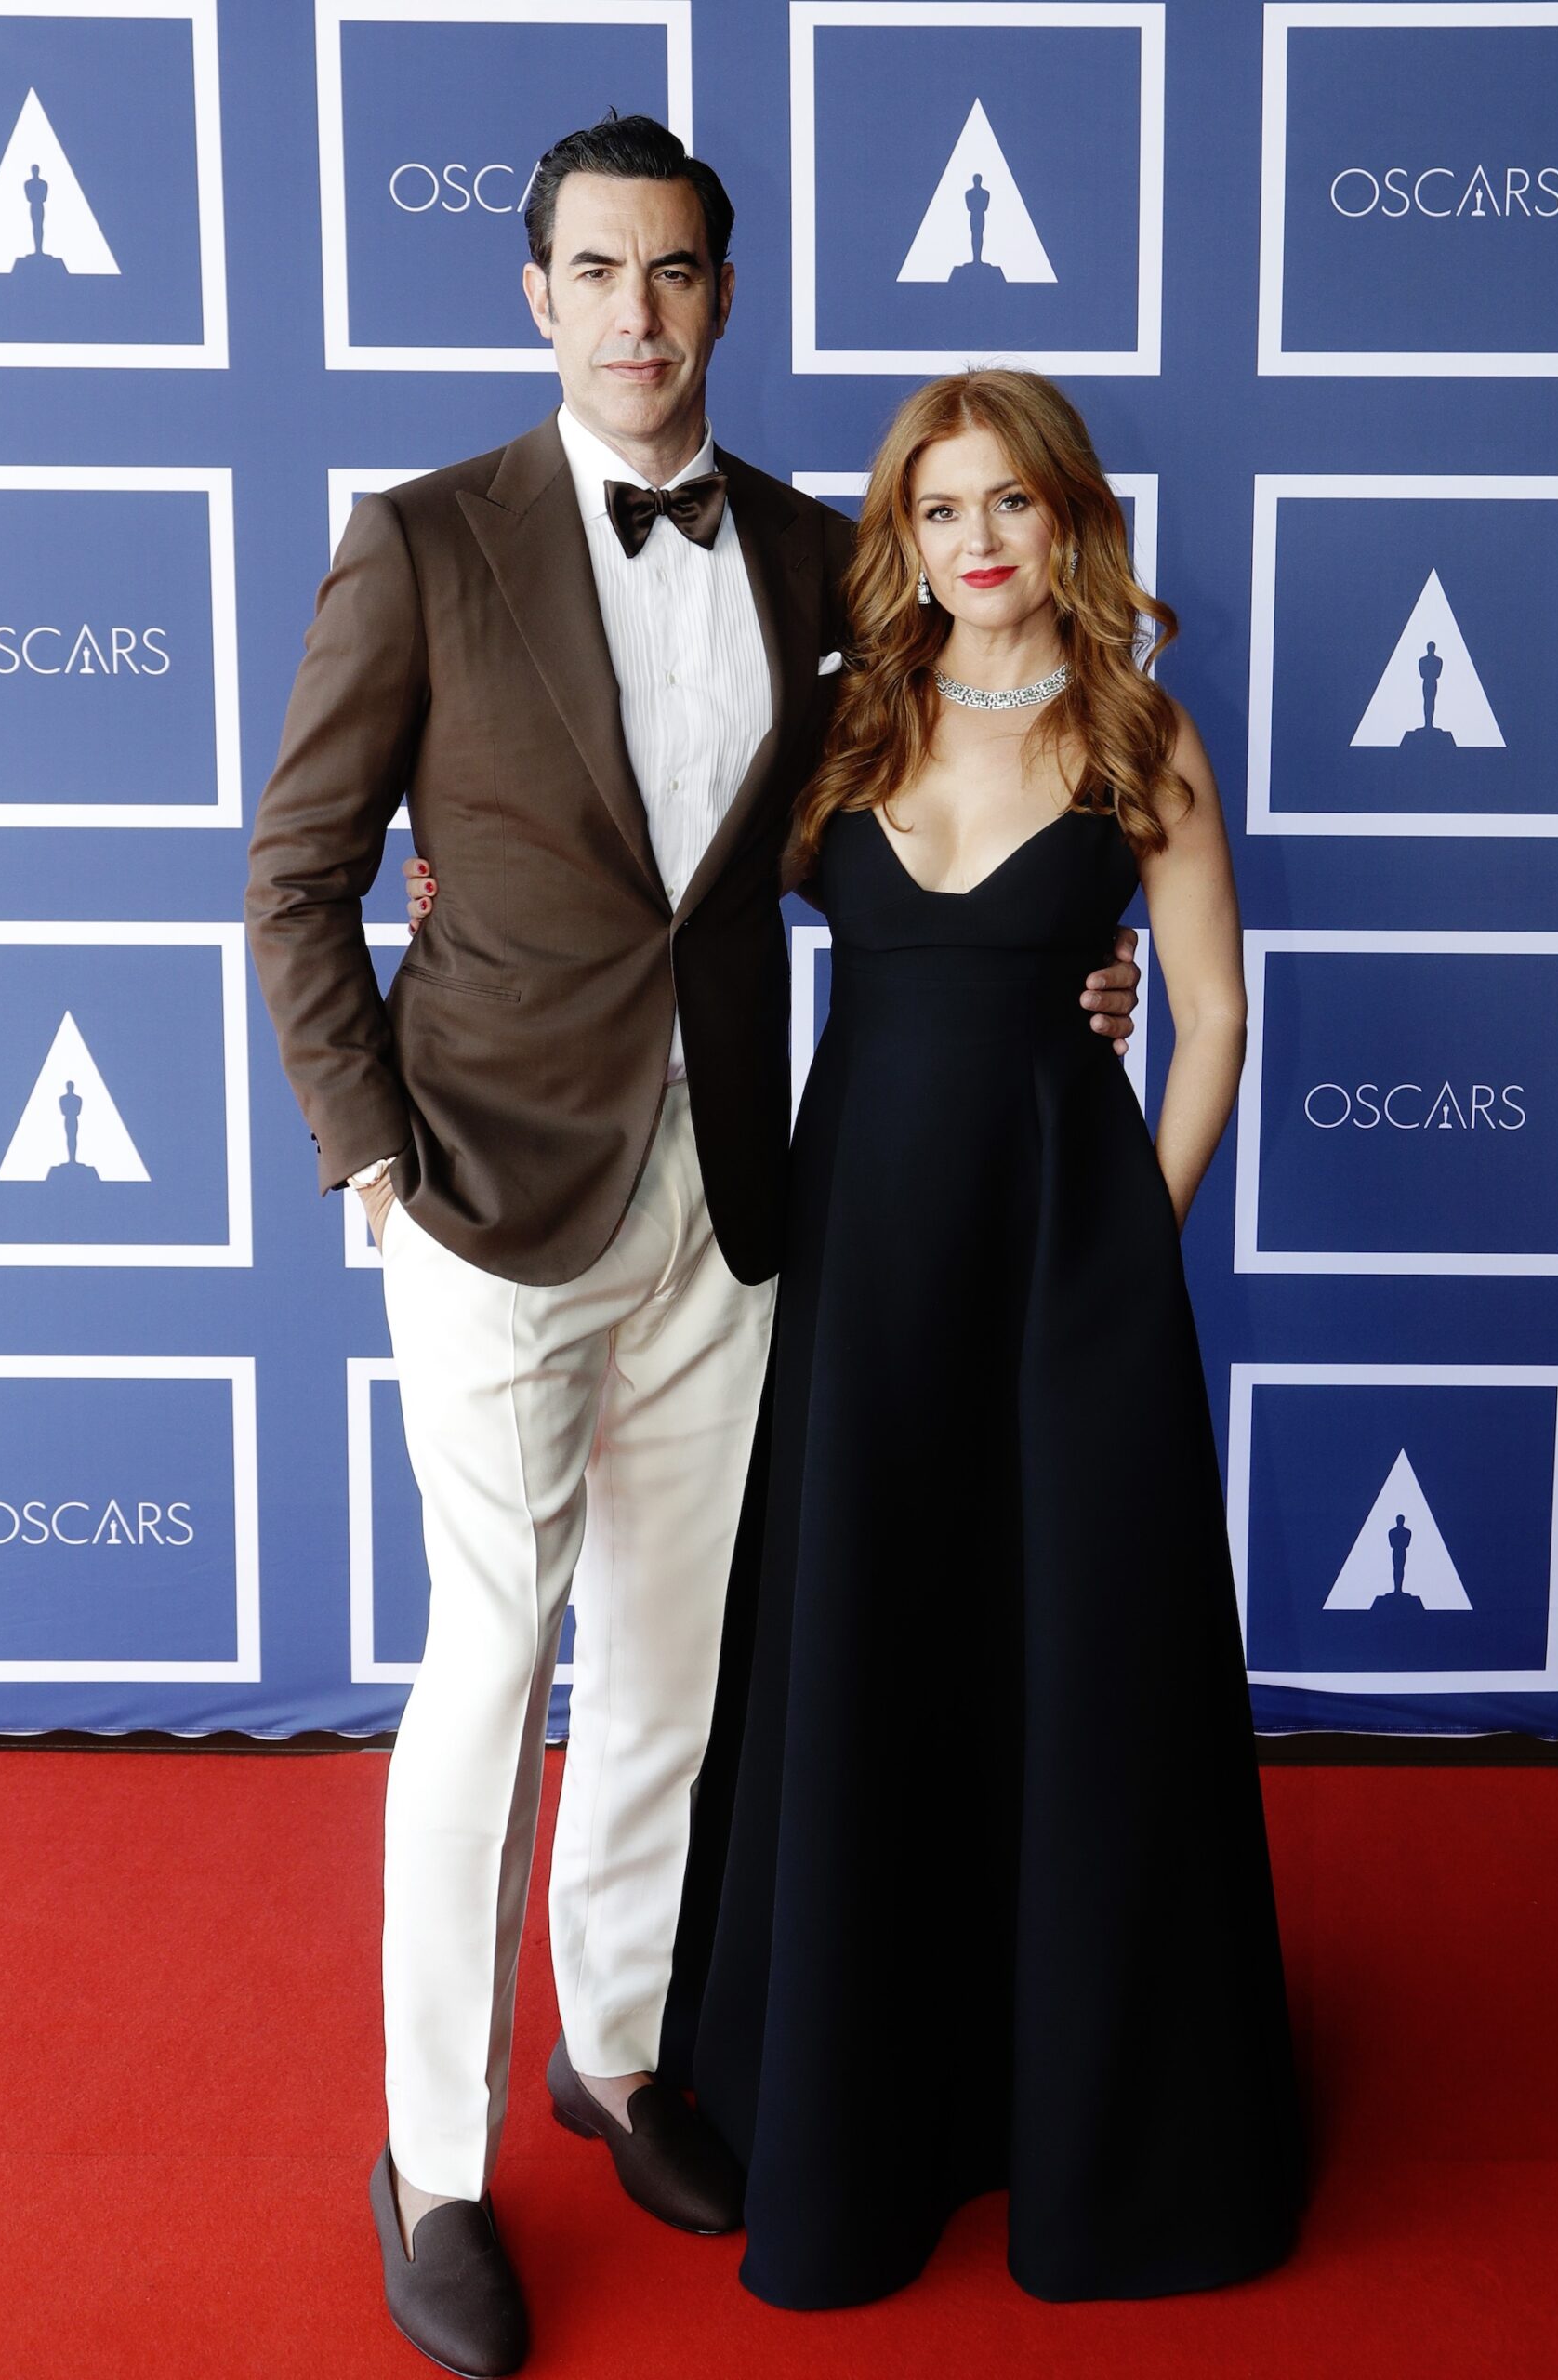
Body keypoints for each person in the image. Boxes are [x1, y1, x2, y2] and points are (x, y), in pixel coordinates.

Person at [246, 115, 1141, 2378]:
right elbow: (299, 872)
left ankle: (619, 2055)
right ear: (534, 295)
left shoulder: (816, 557)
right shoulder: (419, 541)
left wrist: (1071, 973)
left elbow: (929, 825)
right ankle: (431, 2163)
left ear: (721, 298)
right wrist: (376, 1161)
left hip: (742, 1195)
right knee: (483, 1674)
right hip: (486, 1199)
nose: (635, 312)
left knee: (669, 1667)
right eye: (594, 271)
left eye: (674, 273)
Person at [402, 369, 1304, 2313]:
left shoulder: (1139, 736)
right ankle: (842, 2090)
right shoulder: (848, 728)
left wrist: (1120, 1238)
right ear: (900, 533)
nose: (979, 540)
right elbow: (664, 887)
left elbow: (1210, 1014)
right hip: (858, 1278)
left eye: (1013, 503)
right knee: (870, 1652)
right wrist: (462, 874)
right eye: (940, 507)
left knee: (1070, 1666)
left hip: (1068, 1279)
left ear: (1068, 518)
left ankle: (1085, 2112)